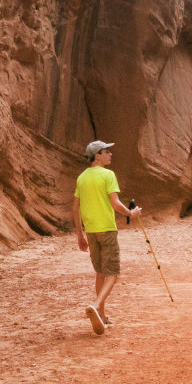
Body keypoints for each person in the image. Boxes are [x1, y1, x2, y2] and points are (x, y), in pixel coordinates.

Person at [74, 140, 141, 335]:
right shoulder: (108, 175)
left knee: (100, 272)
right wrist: (131, 213)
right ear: (97, 156)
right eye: (107, 151)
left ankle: (101, 316)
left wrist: (79, 235)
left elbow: (75, 208)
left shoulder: (81, 178)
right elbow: (116, 203)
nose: (110, 154)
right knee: (112, 275)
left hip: (91, 232)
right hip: (107, 230)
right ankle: (95, 306)